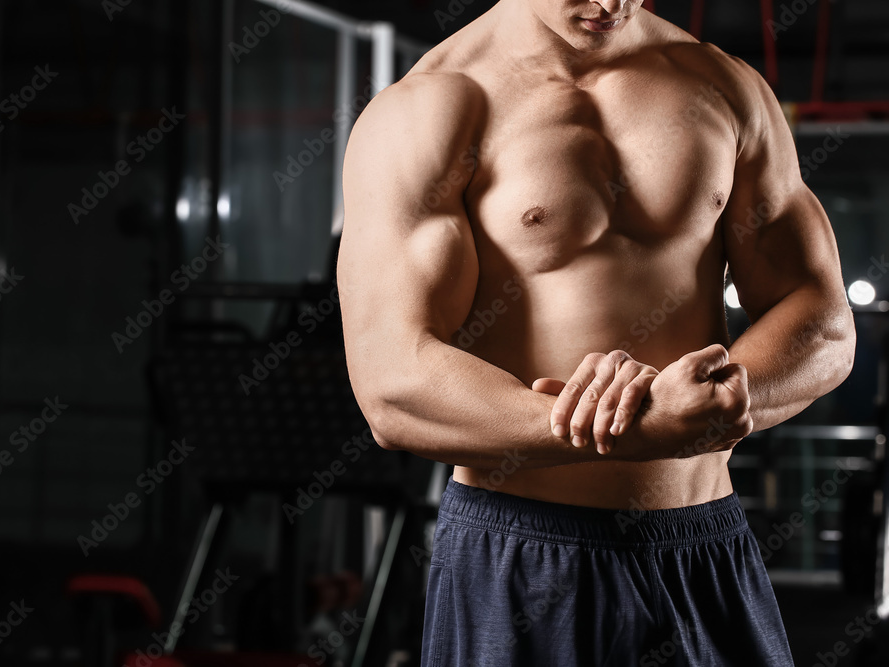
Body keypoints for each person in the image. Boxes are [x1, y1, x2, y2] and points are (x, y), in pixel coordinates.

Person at [337, 0, 856, 663]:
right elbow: (392, 383)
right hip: (524, 557)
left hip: (705, 546)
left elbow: (824, 323)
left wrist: (728, 394)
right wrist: (621, 427)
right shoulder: (434, 107)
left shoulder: (725, 86)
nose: (613, 4)